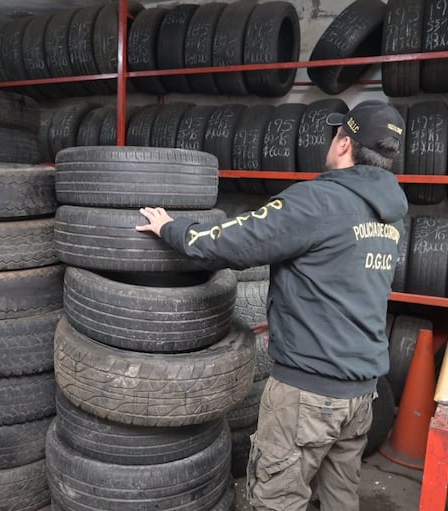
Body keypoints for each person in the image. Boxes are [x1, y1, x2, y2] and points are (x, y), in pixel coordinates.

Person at [136, 100, 408, 510]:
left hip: (308, 394)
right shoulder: (392, 216)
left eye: (336, 134)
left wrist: (171, 229)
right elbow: (346, 285)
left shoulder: (317, 201)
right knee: (341, 498)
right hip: (361, 392)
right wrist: (283, 320)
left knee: (276, 498)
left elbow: (229, 242)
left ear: (343, 143)